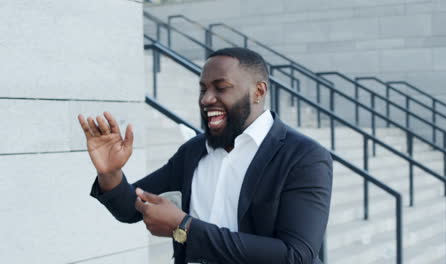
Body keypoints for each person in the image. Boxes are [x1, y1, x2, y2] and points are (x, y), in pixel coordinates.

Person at [77, 48, 333, 264]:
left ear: (258, 92)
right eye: (203, 90)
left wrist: (185, 228)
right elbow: (130, 209)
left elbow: (296, 256)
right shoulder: (194, 151)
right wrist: (110, 173)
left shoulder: (304, 156)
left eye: (221, 88)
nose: (207, 99)